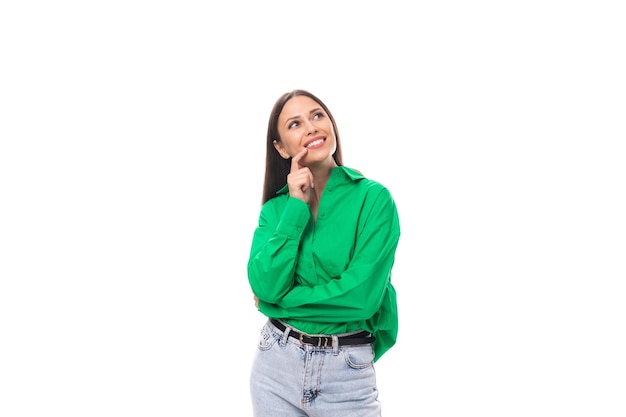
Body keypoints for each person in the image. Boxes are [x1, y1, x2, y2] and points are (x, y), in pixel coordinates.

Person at [247, 89, 401, 416]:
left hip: (345, 373)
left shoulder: (374, 200)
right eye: (295, 124)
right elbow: (265, 284)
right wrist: (295, 207)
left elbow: (361, 297)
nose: (312, 127)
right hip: (275, 366)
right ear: (280, 146)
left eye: (318, 116)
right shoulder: (276, 211)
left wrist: (279, 303)